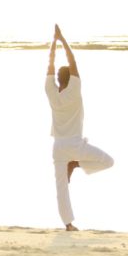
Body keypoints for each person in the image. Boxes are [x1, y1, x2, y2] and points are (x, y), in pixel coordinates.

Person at [45, 24, 113, 231]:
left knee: (61, 188)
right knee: (108, 161)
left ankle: (68, 225)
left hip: (58, 145)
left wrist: (53, 44)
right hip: (75, 144)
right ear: (71, 78)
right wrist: (62, 39)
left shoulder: (51, 92)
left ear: (58, 79)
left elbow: (49, 65)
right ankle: (76, 165)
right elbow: (73, 62)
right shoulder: (74, 90)